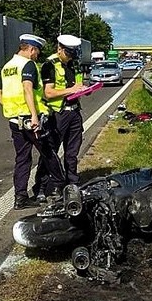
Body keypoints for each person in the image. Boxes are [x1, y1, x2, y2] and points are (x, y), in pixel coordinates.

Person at [0, 33, 65, 210]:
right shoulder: (28, 65)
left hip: (14, 120)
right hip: (31, 120)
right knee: (49, 154)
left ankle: (20, 198)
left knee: (22, 159)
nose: (37, 55)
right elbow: (27, 88)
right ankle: (62, 188)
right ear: (31, 49)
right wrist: (34, 115)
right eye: (37, 52)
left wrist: (11, 107)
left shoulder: (7, 67)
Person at [33, 34, 86, 202]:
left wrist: (84, 90)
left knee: (72, 153)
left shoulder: (73, 64)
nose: (71, 56)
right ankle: (42, 186)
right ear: (60, 49)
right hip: (58, 115)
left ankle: (72, 183)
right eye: (68, 53)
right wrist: (71, 91)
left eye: (73, 53)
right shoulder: (49, 65)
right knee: (51, 153)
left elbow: (75, 86)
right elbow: (48, 93)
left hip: (74, 112)